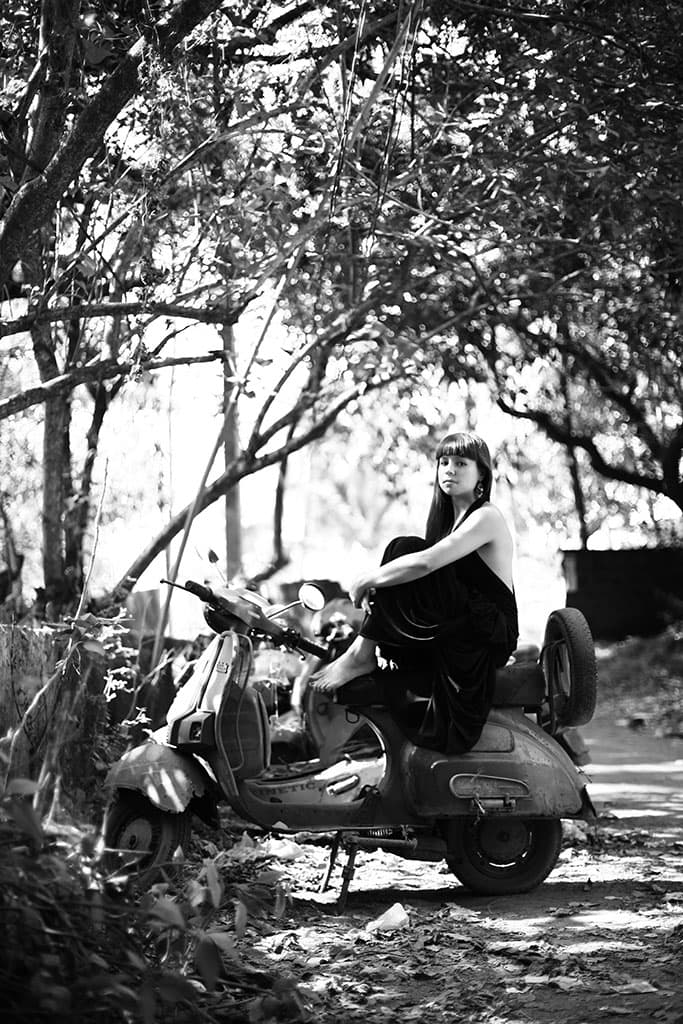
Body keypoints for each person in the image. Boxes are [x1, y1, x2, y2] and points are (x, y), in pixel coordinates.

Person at [311, 431, 519, 754]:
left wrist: (369, 580)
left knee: (405, 550)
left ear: (482, 475)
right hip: (461, 626)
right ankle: (364, 654)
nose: (449, 469)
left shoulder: (486, 517)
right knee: (404, 553)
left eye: (461, 463)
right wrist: (384, 591)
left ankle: (360, 654)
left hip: (488, 632)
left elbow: (425, 564)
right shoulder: (449, 522)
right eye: (444, 462)